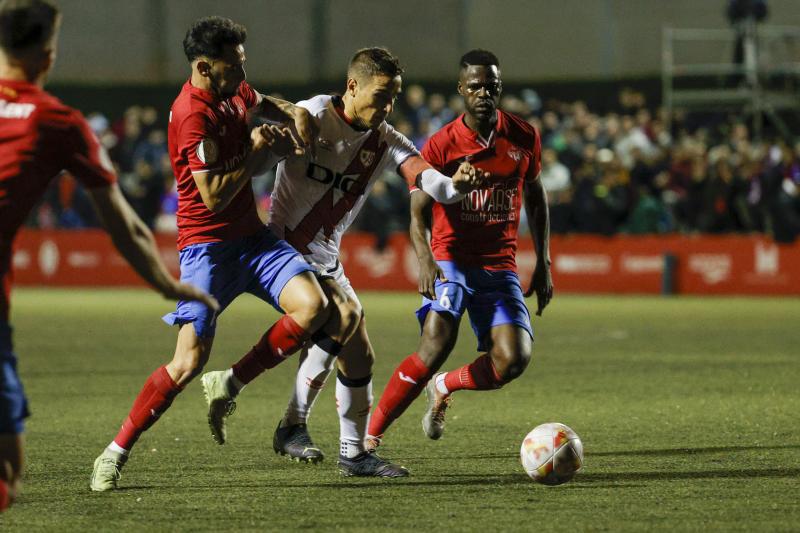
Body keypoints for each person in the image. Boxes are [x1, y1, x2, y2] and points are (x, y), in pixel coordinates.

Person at [89, 15, 345, 491]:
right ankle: (116, 450)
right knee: (186, 362)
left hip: (253, 239)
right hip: (207, 248)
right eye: (234, 67)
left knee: (317, 308)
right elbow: (213, 197)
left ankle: (230, 383)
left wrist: (292, 112)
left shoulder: (233, 92)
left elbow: (260, 100)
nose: (243, 76)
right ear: (205, 68)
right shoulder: (192, 115)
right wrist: (254, 150)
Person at [203, 47, 484, 477]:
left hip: (328, 259)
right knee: (345, 315)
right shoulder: (311, 115)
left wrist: (457, 184)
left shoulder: (386, 139)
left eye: (395, 97)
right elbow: (258, 159)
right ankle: (248, 393)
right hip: (286, 250)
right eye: (381, 95)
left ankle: (348, 453)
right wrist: (267, 141)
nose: (387, 106)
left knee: (360, 357)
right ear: (352, 86)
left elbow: (430, 183)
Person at [0, 0, 217, 510]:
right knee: (8, 470)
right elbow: (122, 223)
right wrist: (169, 286)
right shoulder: (57, 121)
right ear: (48, 54)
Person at [365, 49, 554, 454]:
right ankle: (369, 436)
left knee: (513, 360)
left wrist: (544, 263)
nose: (484, 93)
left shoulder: (524, 136)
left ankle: (445, 385)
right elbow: (417, 211)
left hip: (500, 263)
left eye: (491, 86)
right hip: (450, 257)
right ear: (461, 90)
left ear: (500, 88)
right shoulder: (440, 145)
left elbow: (536, 198)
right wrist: (425, 259)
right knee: (436, 343)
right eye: (475, 86)